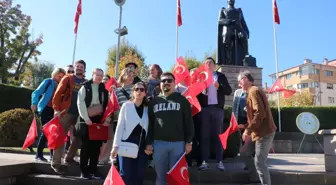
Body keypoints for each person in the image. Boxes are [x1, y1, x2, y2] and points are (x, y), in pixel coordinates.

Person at [146, 72, 194, 185]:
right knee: (160, 177)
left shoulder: (182, 100)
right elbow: (149, 124)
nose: (166, 83)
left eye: (169, 80)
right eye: (163, 81)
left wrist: (189, 141)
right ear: (160, 84)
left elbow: (189, 123)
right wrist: (148, 142)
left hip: (178, 144)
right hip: (158, 144)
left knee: (176, 178)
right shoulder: (154, 102)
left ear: (174, 83)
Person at [238, 71, 277, 185]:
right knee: (244, 152)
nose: (239, 85)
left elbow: (260, 114)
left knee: (259, 162)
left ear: (245, 79)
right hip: (257, 132)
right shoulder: (252, 91)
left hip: (264, 133)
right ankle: (255, 177)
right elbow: (257, 115)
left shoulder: (253, 91)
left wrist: (247, 130)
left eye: (239, 81)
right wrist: (244, 126)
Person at [51, 60, 87, 174]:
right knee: (60, 137)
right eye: (78, 66)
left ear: (84, 69)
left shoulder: (86, 82)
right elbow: (57, 93)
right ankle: (56, 163)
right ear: (75, 67)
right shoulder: (67, 78)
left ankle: (69, 158)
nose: (79, 68)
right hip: (65, 113)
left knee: (78, 138)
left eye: (82, 67)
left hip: (79, 115)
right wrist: (56, 109)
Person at [197, 57, 232, 171]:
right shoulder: (201, 77)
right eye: (205, 63)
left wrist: (219, 87)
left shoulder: (220, 76)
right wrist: (199, 87)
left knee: (218, 136)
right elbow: (195, 93)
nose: (207, 64)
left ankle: (219, 161)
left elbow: (228, 91)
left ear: (214, 64)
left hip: (217, 109)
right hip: (205, 109)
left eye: (210, 62)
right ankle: (204, 161)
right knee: (204, 136)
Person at [111, 82, 150, 185]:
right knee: (125, 175)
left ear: (145, 93)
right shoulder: (126, 105)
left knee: (139, 175)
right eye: (136, 89)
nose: (139, 91)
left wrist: (150, 144)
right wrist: (115, 146)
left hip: (142, 145)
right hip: (126, 143)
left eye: (142, 90)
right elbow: (120, 126)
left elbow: (150, 129)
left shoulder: (148, 108)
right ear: (133, 92)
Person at [77, 68, 110, 179]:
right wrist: (86, 119)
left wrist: (107, 120)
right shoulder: (85, 87)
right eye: (97, 74)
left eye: (101, 75)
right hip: (86, 120)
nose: (100, 77)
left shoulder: (104, 90)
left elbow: (107, 106)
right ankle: (84, 171)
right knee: (86, 146)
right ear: (93, 75)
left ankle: (93, 170)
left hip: (99, 120)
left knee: (96, 147)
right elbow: (80, 103)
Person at [31, 68, 66, 162]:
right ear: (54, 74)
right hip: (46, 108)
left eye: (62, 77)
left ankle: (52, 155)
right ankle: (39, 155)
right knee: (46, 132)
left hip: (55, 111)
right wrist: (34, 103)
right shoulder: (48, 82)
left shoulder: (62, 86)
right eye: (59, 76)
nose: (60, 78)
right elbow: (36, 92)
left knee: (54, 132)